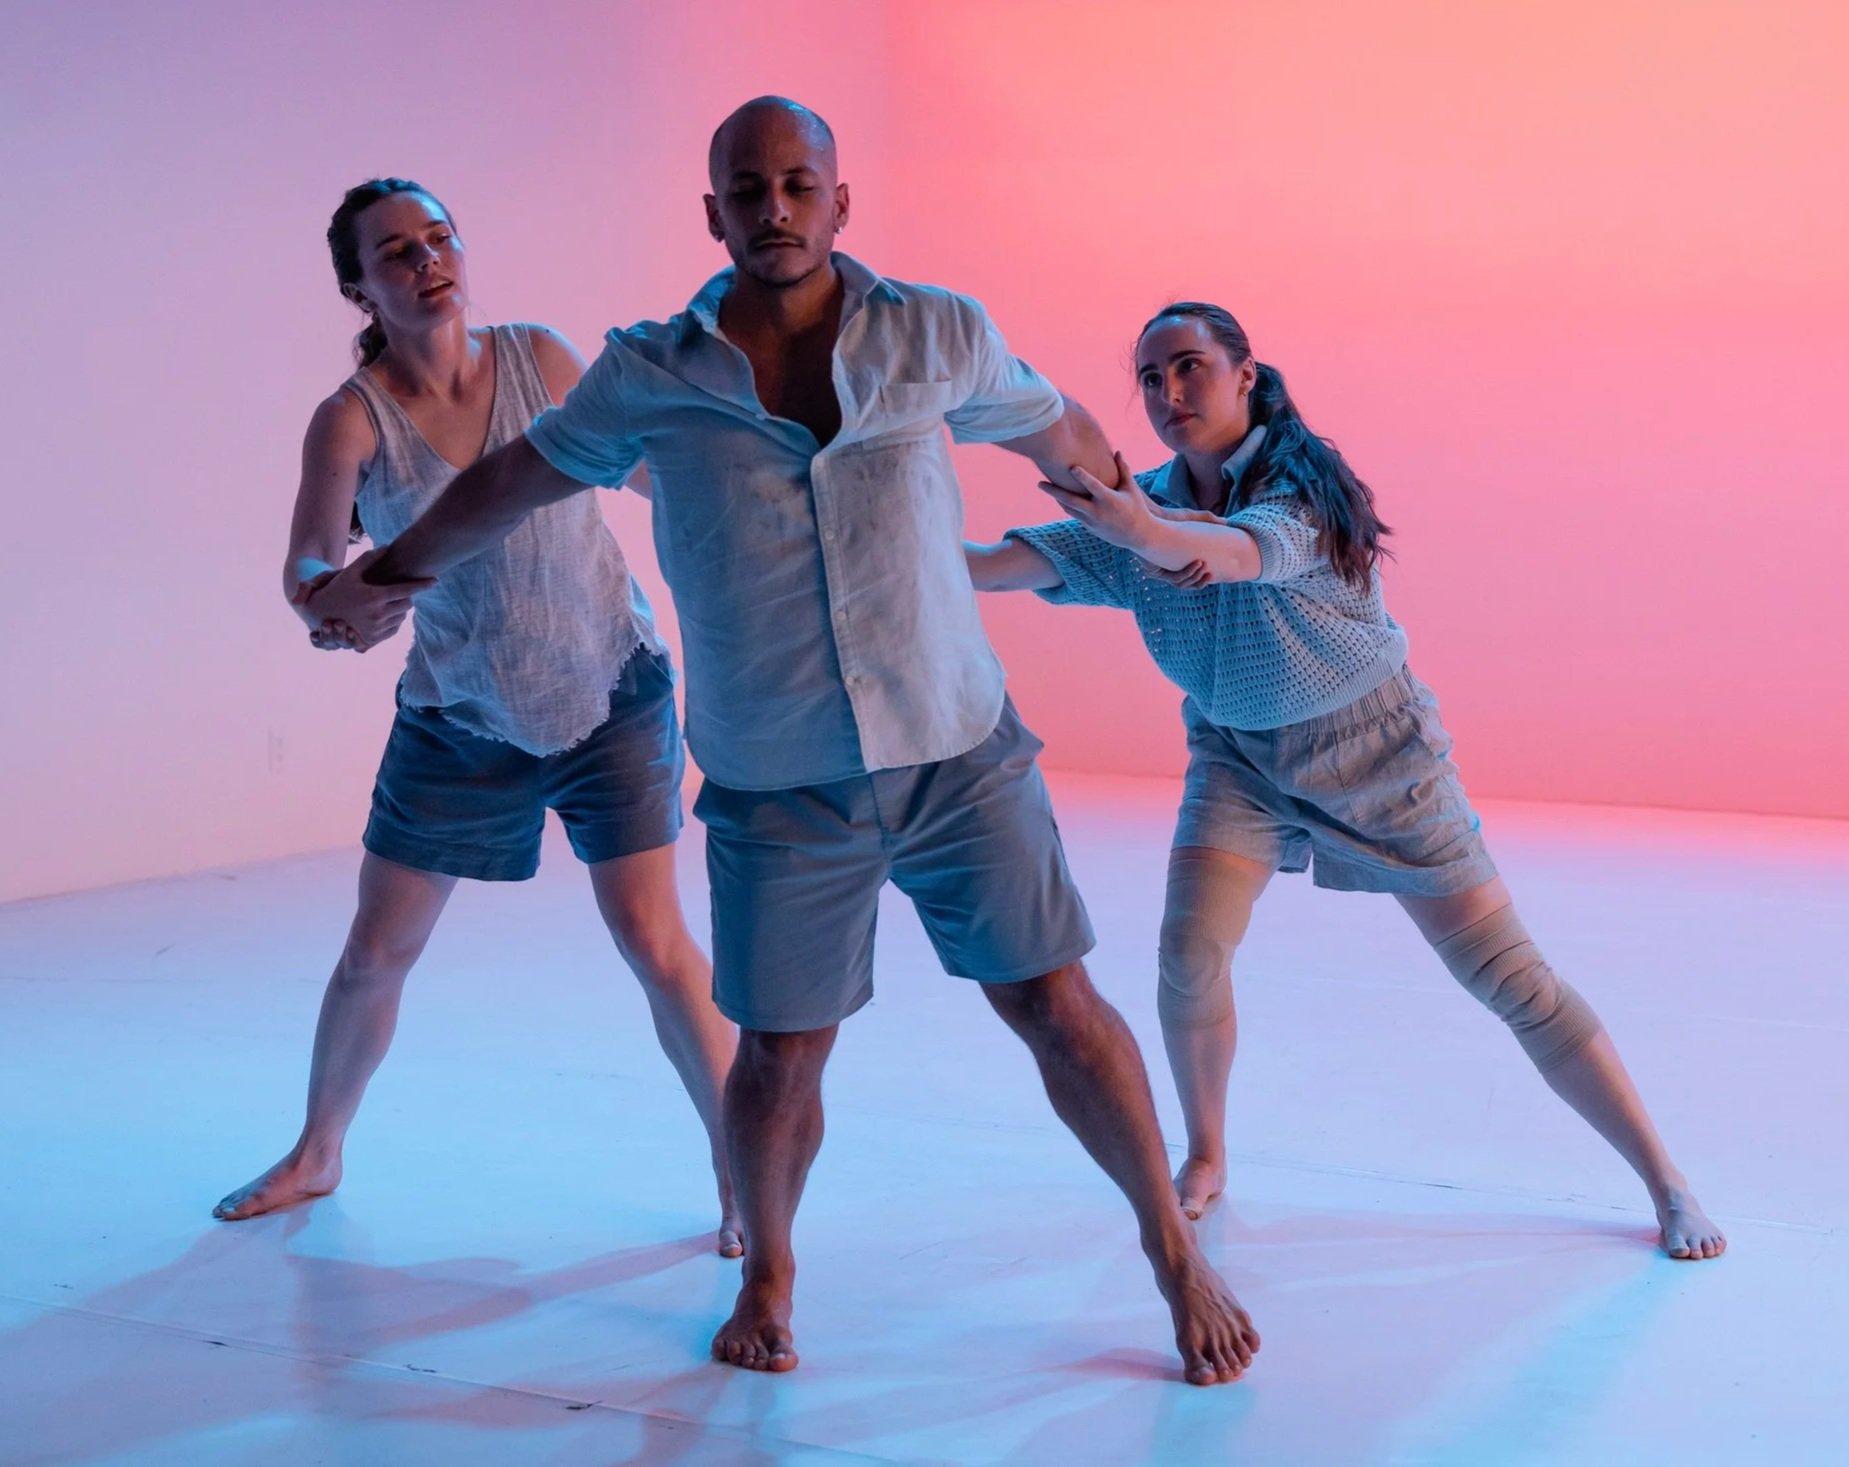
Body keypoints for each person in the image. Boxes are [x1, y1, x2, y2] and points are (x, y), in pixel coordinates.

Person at [350, 101, 1261, 1385]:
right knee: (780, 1054)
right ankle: (770, 1271)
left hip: (955, 747)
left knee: (1060, 1008)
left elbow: (1051, 425)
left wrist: (1141, 519)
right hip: (781, 780)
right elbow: (512, 482)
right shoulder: (650, 373)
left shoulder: (936, 332)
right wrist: (387, 573)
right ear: (712, 213)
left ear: (839, 203)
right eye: (747, 189)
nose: (773, 208)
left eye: (797, 185)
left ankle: (1175, 1253)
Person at [966, 301, 1725, 1261]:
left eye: (1191, 367)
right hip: (1238, 759)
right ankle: (1205, 1154)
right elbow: (1007, 564)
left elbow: (1233, 553)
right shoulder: (1141, 504)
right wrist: (894, 560)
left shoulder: (1302, 492)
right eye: (1152, 378)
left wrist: (1137, 526)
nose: (1168, 393)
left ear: (1247, 374)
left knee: (1510, 979)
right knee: (1187, 954)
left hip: (1380, 758)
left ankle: (1667, 1181)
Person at [214, 179, 742, 1260]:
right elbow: (307, 562)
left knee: (654, 939)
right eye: (396, 251)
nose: (426, 261)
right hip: (459, 718)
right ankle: (319, 1151)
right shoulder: (353, 418)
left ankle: (746, 1176)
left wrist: (729, 475)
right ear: (359, 285)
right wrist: (331, 600)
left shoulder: (539, 359)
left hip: (610, 690)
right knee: (377, 950)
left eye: (438, 237)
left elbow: (646, 474)